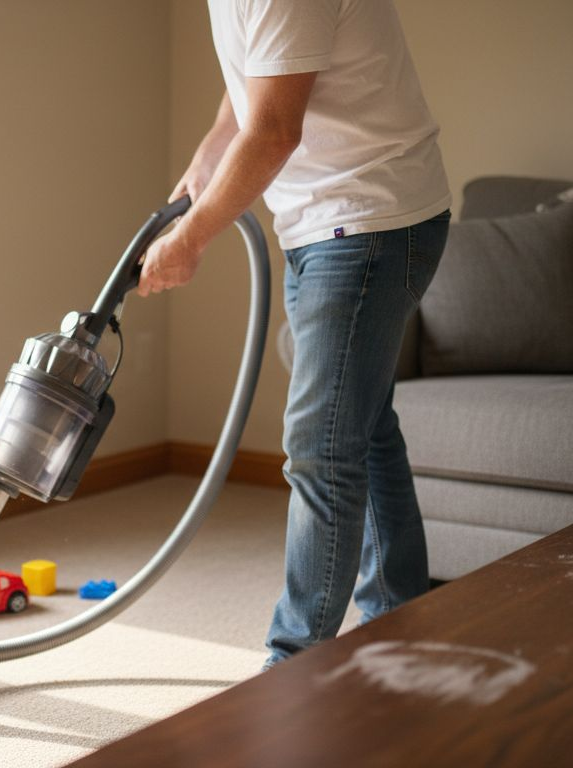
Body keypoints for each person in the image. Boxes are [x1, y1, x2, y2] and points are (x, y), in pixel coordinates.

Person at [137, 0, 451, 669]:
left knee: (320, 446)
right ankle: (398, 619)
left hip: (369, 219)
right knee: (362, 427)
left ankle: (294, 661)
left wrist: (192, 239)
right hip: (328, 222)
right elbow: (253, 81)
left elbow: (275, 130)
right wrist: (207, 158)